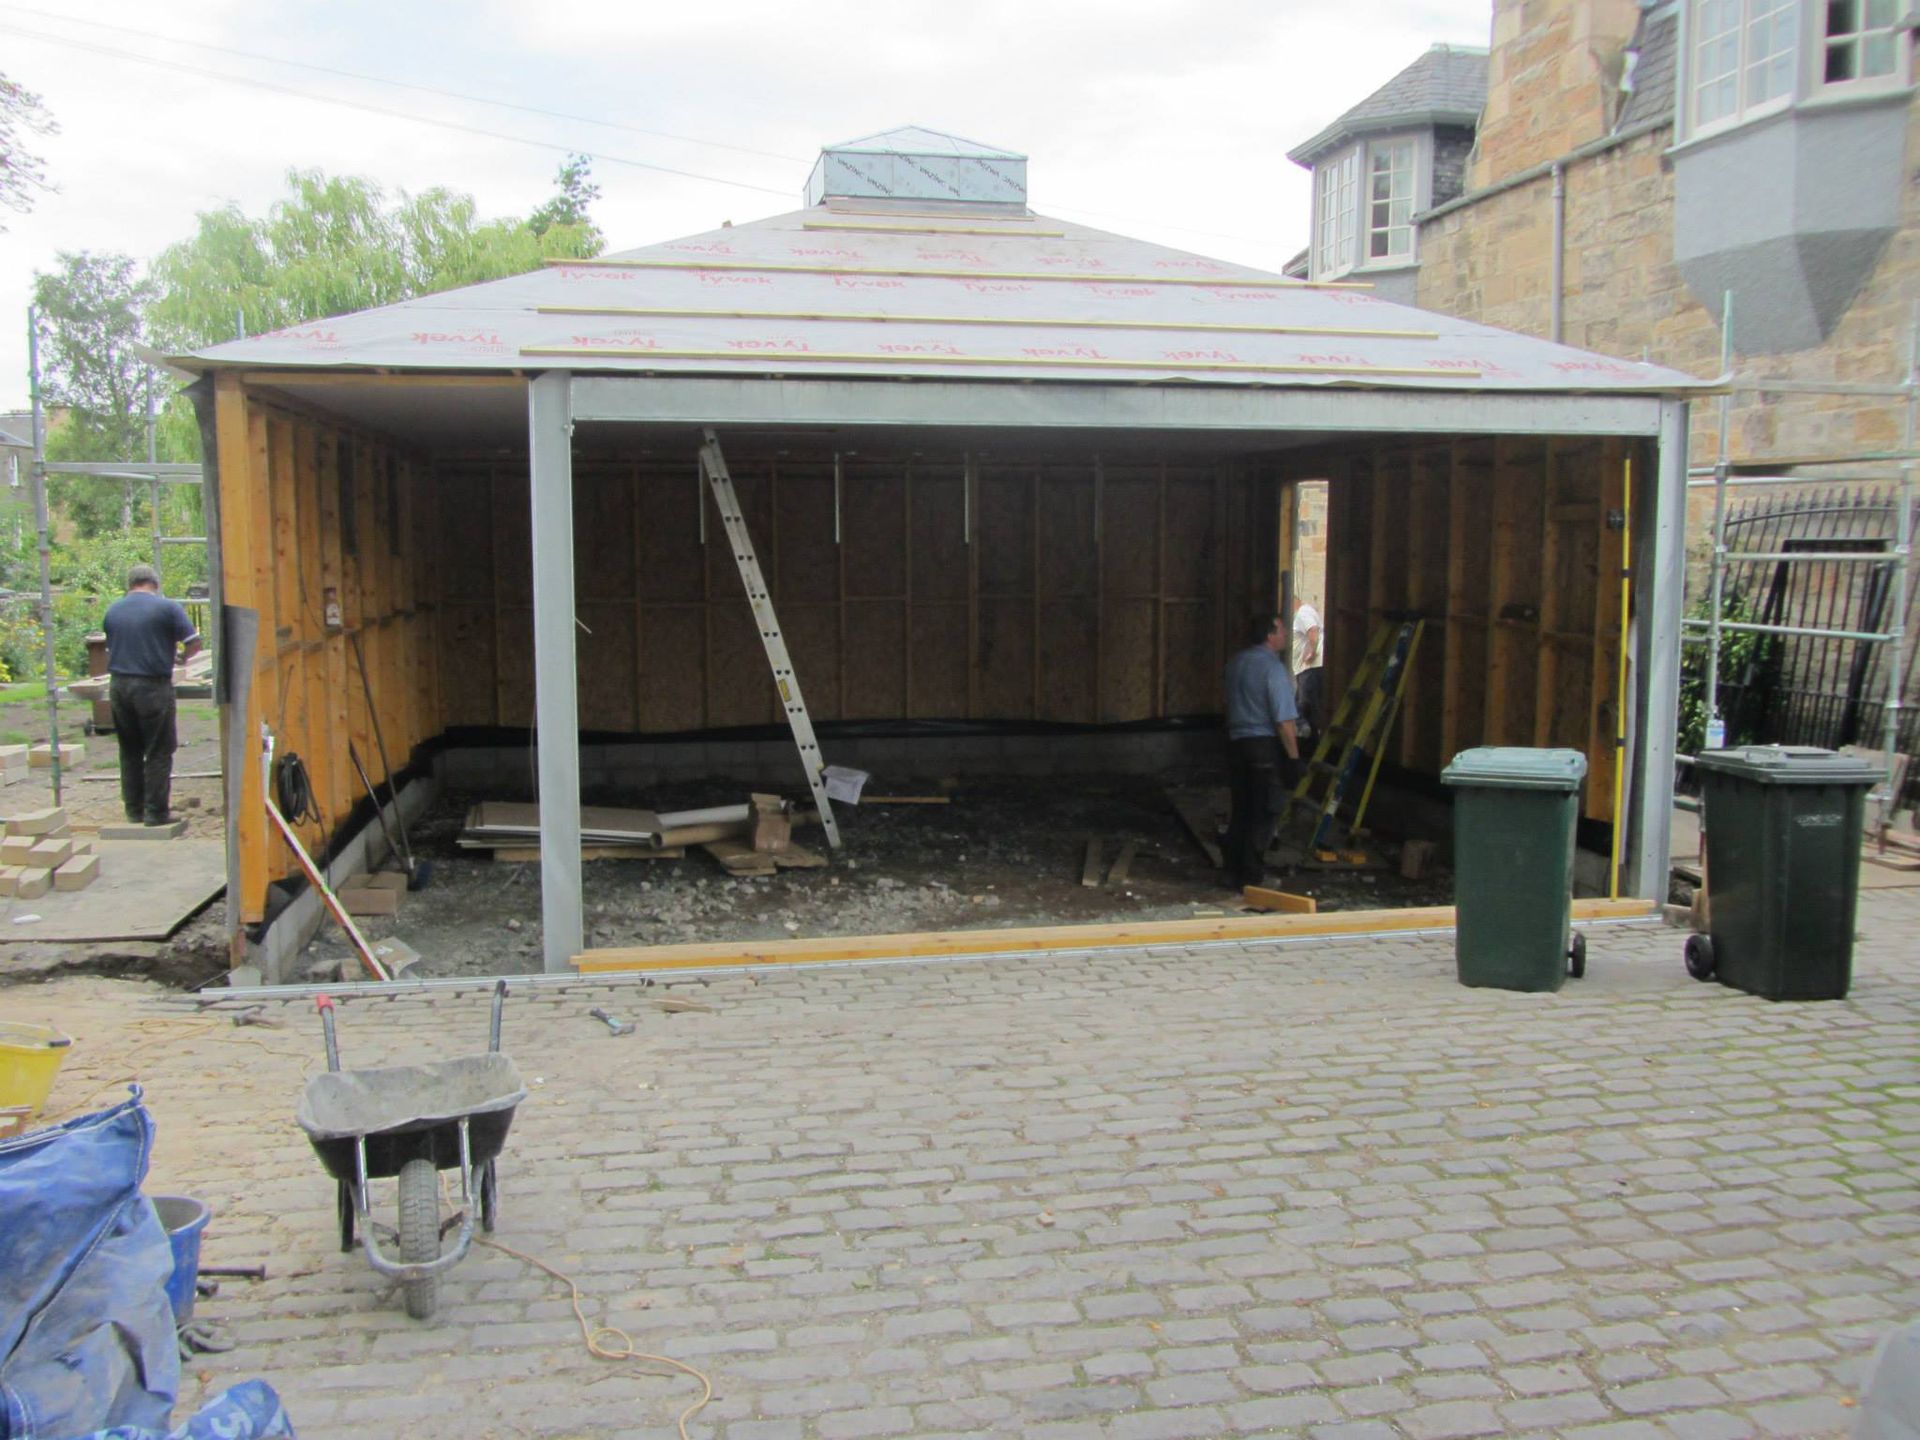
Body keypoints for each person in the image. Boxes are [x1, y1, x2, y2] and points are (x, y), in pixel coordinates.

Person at [101, 565, 201, 826]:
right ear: (154, 584)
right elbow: (194, 642)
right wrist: (181, 657)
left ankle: (134, 810)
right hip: (152, 686)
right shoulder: (167, 608)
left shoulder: (113, 610)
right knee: (158, 749)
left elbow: (111, 646)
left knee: (129, 749)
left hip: (119, 686)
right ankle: (156, 812)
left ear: (130, 583)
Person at [1223, 613, 1302, 890]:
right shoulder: (1274, 669)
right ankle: (1252, 876)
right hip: (1263, 747)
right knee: (1264, 812)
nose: (1285, 636)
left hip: (1236, 744)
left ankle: (1231, 871)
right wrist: (1293, 759)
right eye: (1281, 631)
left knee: (1241, 809)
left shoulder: (1235, 663)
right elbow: (1283, 721)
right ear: (1270, 635)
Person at [1291, 594, 1326, 739]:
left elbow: (1313, 629)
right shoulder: (1304, 612)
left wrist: (1311, 651)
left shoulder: (1302, 612)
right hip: (1305, 669)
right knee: (1301, 704)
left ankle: (1310, 739)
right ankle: (1309, 737)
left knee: (1305, 705)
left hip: (1310, 668)